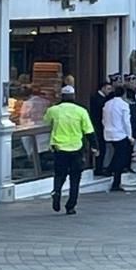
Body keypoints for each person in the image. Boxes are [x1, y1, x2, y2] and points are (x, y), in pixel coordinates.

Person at [43, 86, 97, 215]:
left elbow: (45, 122)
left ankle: (56, 191)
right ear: (73, 96)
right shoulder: (81, 111)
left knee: (59, 174)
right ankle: (71, 205)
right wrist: (95, 146)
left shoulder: (53, 110)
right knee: (75, 178)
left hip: (59, 148)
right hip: (76, 148)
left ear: (62, 96)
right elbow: (89, 131)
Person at [102, 84, 133, 192]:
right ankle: (115, 180)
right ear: (123, 94)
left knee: (116, 154)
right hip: (120, 134)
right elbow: (126, 121)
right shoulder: (123, 105)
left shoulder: (107, 104)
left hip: (108, 132)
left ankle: (110, 169)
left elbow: (103, 119)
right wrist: (130, 135)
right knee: (121, 157)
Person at [89, 81, 113, 174]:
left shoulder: (103, 99)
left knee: (101, 147)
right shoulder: (98, 99)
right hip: (97, 126)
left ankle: (100, 166)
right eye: (108, 89)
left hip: (100, 126)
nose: (109, 91)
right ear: (102, 88)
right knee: (100, 147)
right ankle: (98, 168)